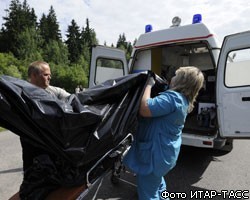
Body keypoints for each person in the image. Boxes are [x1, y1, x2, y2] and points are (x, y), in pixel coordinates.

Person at [123, 66, 204, 200]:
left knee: (148, 194)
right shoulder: (183, 100)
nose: (172, 77)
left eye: (176, 75)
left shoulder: (173, 98)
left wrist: (148, 85)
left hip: (154, 156)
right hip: (164, 155)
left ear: (182, 81)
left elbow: (145, 108)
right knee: (158, 185)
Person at [21, 61, 70, 171]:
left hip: (52, 143)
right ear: (34, 75)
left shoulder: (55, 91)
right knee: (32, 174)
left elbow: (73, 99)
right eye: (46, 75)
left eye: (50, 75)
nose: (49, 77)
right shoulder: (21, 93)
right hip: (31, 144)